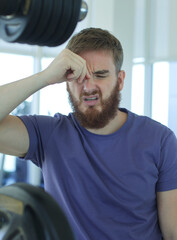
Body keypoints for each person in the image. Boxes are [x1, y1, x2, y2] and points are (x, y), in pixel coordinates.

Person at [0, 28, 177, 240]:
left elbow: (172, 232)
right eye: (78, 77)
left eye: (100, 75)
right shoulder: (47, 135)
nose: (89, 86)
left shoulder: (160, 140)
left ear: (120, 80)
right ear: (66, 83)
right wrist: (45, 77)